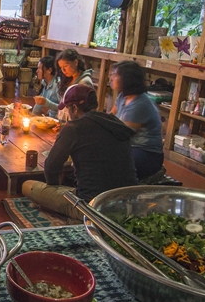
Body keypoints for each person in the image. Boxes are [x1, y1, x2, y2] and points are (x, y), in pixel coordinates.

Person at [22, 85, 136, 220]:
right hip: (129, 201)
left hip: (94, 207)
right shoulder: (115, 122)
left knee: (26, 185)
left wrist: (53, 188)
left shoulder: (74, 128)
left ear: (75, 108)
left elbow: (51, 166)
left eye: (68, 109)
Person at [109, 60, 165, 180]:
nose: (111, 78)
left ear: (127, 79)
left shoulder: (140, 104)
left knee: (111, 163)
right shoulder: (122, 96)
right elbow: (110, 118)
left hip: (146, 153)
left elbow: (122, 134)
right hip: (130, 146)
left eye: (115, 74)